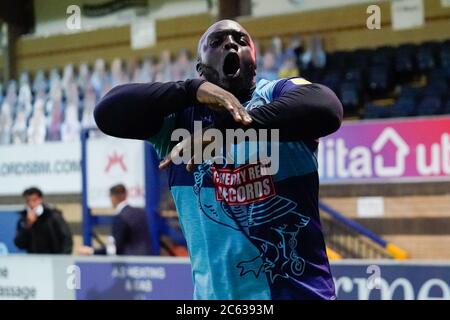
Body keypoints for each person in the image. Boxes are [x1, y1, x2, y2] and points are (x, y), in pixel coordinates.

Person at [94, 20, 343, 300]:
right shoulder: (178, 121)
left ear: (254, 59)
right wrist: (189, 90)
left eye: (240, 39)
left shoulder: (277, 96)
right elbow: (107, 111)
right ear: (200, 68)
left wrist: (224, 134)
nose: (230, 43)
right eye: (217, 41)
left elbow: (328, 107)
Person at [79, 184, 154, 256]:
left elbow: (115, 248)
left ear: (113, 198)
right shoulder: (140, 213)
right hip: (146, 259)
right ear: (126, 195)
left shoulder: (120, 217)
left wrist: (92, 251)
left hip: (129, 262)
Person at [14, 187, 73, 254]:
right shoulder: (23, 219)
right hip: (34, 259)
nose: (31, 204)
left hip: (54, 258)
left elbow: (66, 237)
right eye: (28, 201)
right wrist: (27, 225)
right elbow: (19, 244)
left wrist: (63, 257)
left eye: (34, 200)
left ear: (40, 199)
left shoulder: (53, 216)